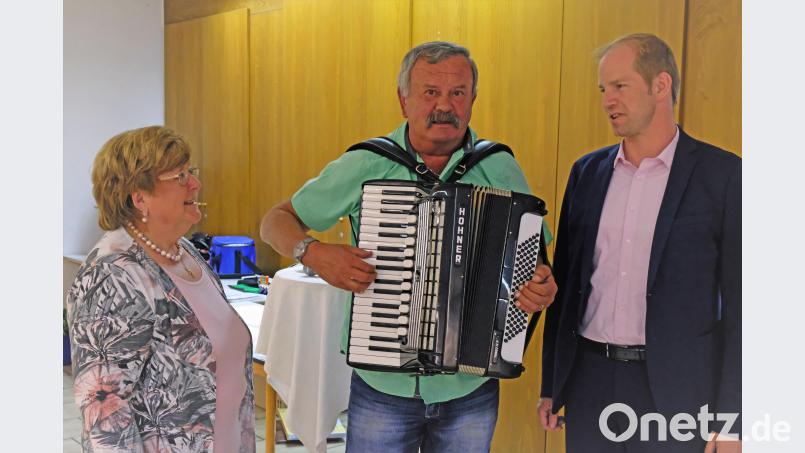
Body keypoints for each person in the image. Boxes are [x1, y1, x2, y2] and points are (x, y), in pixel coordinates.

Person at [260, 41, 558, 453]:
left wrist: (541, 285)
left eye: (458, 93)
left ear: (472, 99)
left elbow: (535, 260)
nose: (445, 106)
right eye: (430, 92)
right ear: (404, 100)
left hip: (468, 387)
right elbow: (274, 222)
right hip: (383, 386)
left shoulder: (499, 166)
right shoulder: (368, 164)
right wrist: (312, 252)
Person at [538, 33, 741, 453]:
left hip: (678, 393)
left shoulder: (724, 177)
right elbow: (567, 288)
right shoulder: (586, 173)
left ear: (661, 86)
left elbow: (745, 308)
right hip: (590, 383)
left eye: (620, 86)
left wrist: (733, 420)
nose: (608, 100)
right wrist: (552, 383)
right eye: (603, 90)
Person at [67, 126, 256, 452]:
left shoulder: (185, 251)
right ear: (139, 197)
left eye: (191, 172)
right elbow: (104, 412)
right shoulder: (112, 275)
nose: (195, 183)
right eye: (180, 176)